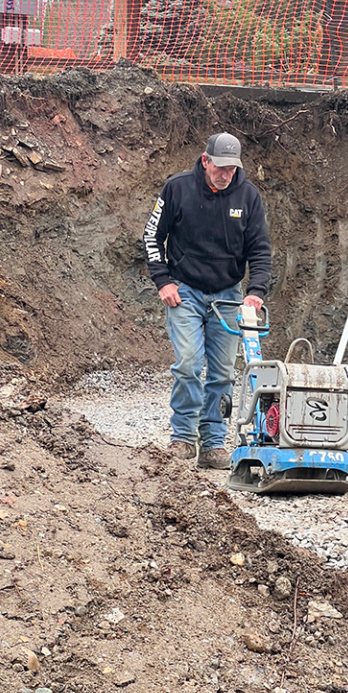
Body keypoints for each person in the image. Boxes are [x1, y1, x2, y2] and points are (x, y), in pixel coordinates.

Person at [143, 132, 272, 469]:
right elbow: (152, 236)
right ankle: (183, 438)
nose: (225, 174)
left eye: (232, 168)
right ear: (205, 160)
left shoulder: (248, 196)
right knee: (188, 362)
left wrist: (256, 292)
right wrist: (163, 280)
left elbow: (260, 249)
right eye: (220, 166)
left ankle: (213, 444)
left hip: (228, 295)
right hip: (184, 290)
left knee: (222, 373)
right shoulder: (178, 188)